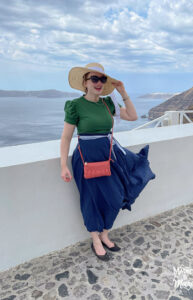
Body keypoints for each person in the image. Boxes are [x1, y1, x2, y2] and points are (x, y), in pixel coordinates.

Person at [60, 62, 156, 261]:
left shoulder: (108, 104)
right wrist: (63, 165)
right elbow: (66, 138)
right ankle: (96, 239)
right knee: (90, 199)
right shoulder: (76, 105)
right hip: (86, 158)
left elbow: (132, 116)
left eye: (102, 79)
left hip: (109, 156)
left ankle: (105, 233)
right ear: (85, 82)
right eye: (94, 79)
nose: (99, 83)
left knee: (115, 196)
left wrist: (122, 91)